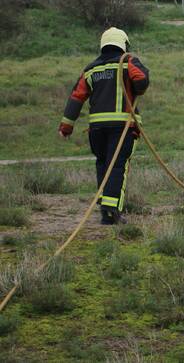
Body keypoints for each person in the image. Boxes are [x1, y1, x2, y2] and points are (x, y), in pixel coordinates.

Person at [58, 27, 149, 225]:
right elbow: (141, 80)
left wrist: (66, 127)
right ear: (124, 44)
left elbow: (76, 97)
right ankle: (111, 212)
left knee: (103, 164)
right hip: (122, 127)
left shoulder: (91, 69)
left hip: (97, 130)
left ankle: (105, 209)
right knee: (117, 166)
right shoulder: (128, 61)